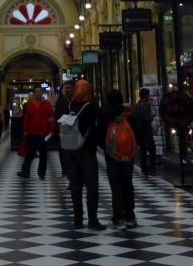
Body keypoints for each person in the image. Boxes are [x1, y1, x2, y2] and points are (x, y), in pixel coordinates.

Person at [62, 79, 104, 230]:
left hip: (71, 149)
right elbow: (101, 122)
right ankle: (92, 219)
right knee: (91, 184)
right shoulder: (91, 106)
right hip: (86, 150)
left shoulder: (70, 104)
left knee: (76, 185)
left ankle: (77, 218)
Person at [100, 88, 142, 229]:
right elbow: (138, 133)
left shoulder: (107, 115)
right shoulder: (129, 114)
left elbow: (100, 130)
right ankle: (130, 215)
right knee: (128, 184)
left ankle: (118, 218)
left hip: (112, 155)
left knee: (116, 185)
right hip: (128, 156)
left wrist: (104, 146)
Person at [17, 85, 54, 179]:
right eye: (37, 91)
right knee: (29, 153)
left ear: (42, 93)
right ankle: (25, 172)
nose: (39, 93)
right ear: (34, 93)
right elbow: (26, 119)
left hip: (43, 134)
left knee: (43, 154)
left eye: (40, 91)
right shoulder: (30, 104)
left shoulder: (47, 104)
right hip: (32, 133)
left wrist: (51, 130)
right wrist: (25, 131)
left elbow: (51, 118)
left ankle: (42, 173)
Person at [133, 87, 156, 177]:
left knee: (143, 150)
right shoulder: (146, 105)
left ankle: (144, 168)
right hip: (146, 130)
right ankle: (152, 169)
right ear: (146, 95)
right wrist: (152, 115)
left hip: (139, 130)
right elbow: (146, 118)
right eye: (148, 95)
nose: (149, 96)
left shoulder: (137, 105)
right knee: (152, 149)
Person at [54, 80, 74, 178]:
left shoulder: (75, 102)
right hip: (63, 131)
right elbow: (57, 117)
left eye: (68, 88)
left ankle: (72, 176)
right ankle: (65, 171)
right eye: (64, 88)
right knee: (64, 153)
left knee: (70, 155)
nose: (65, 90)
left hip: (73, 133)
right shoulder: (60, 103)